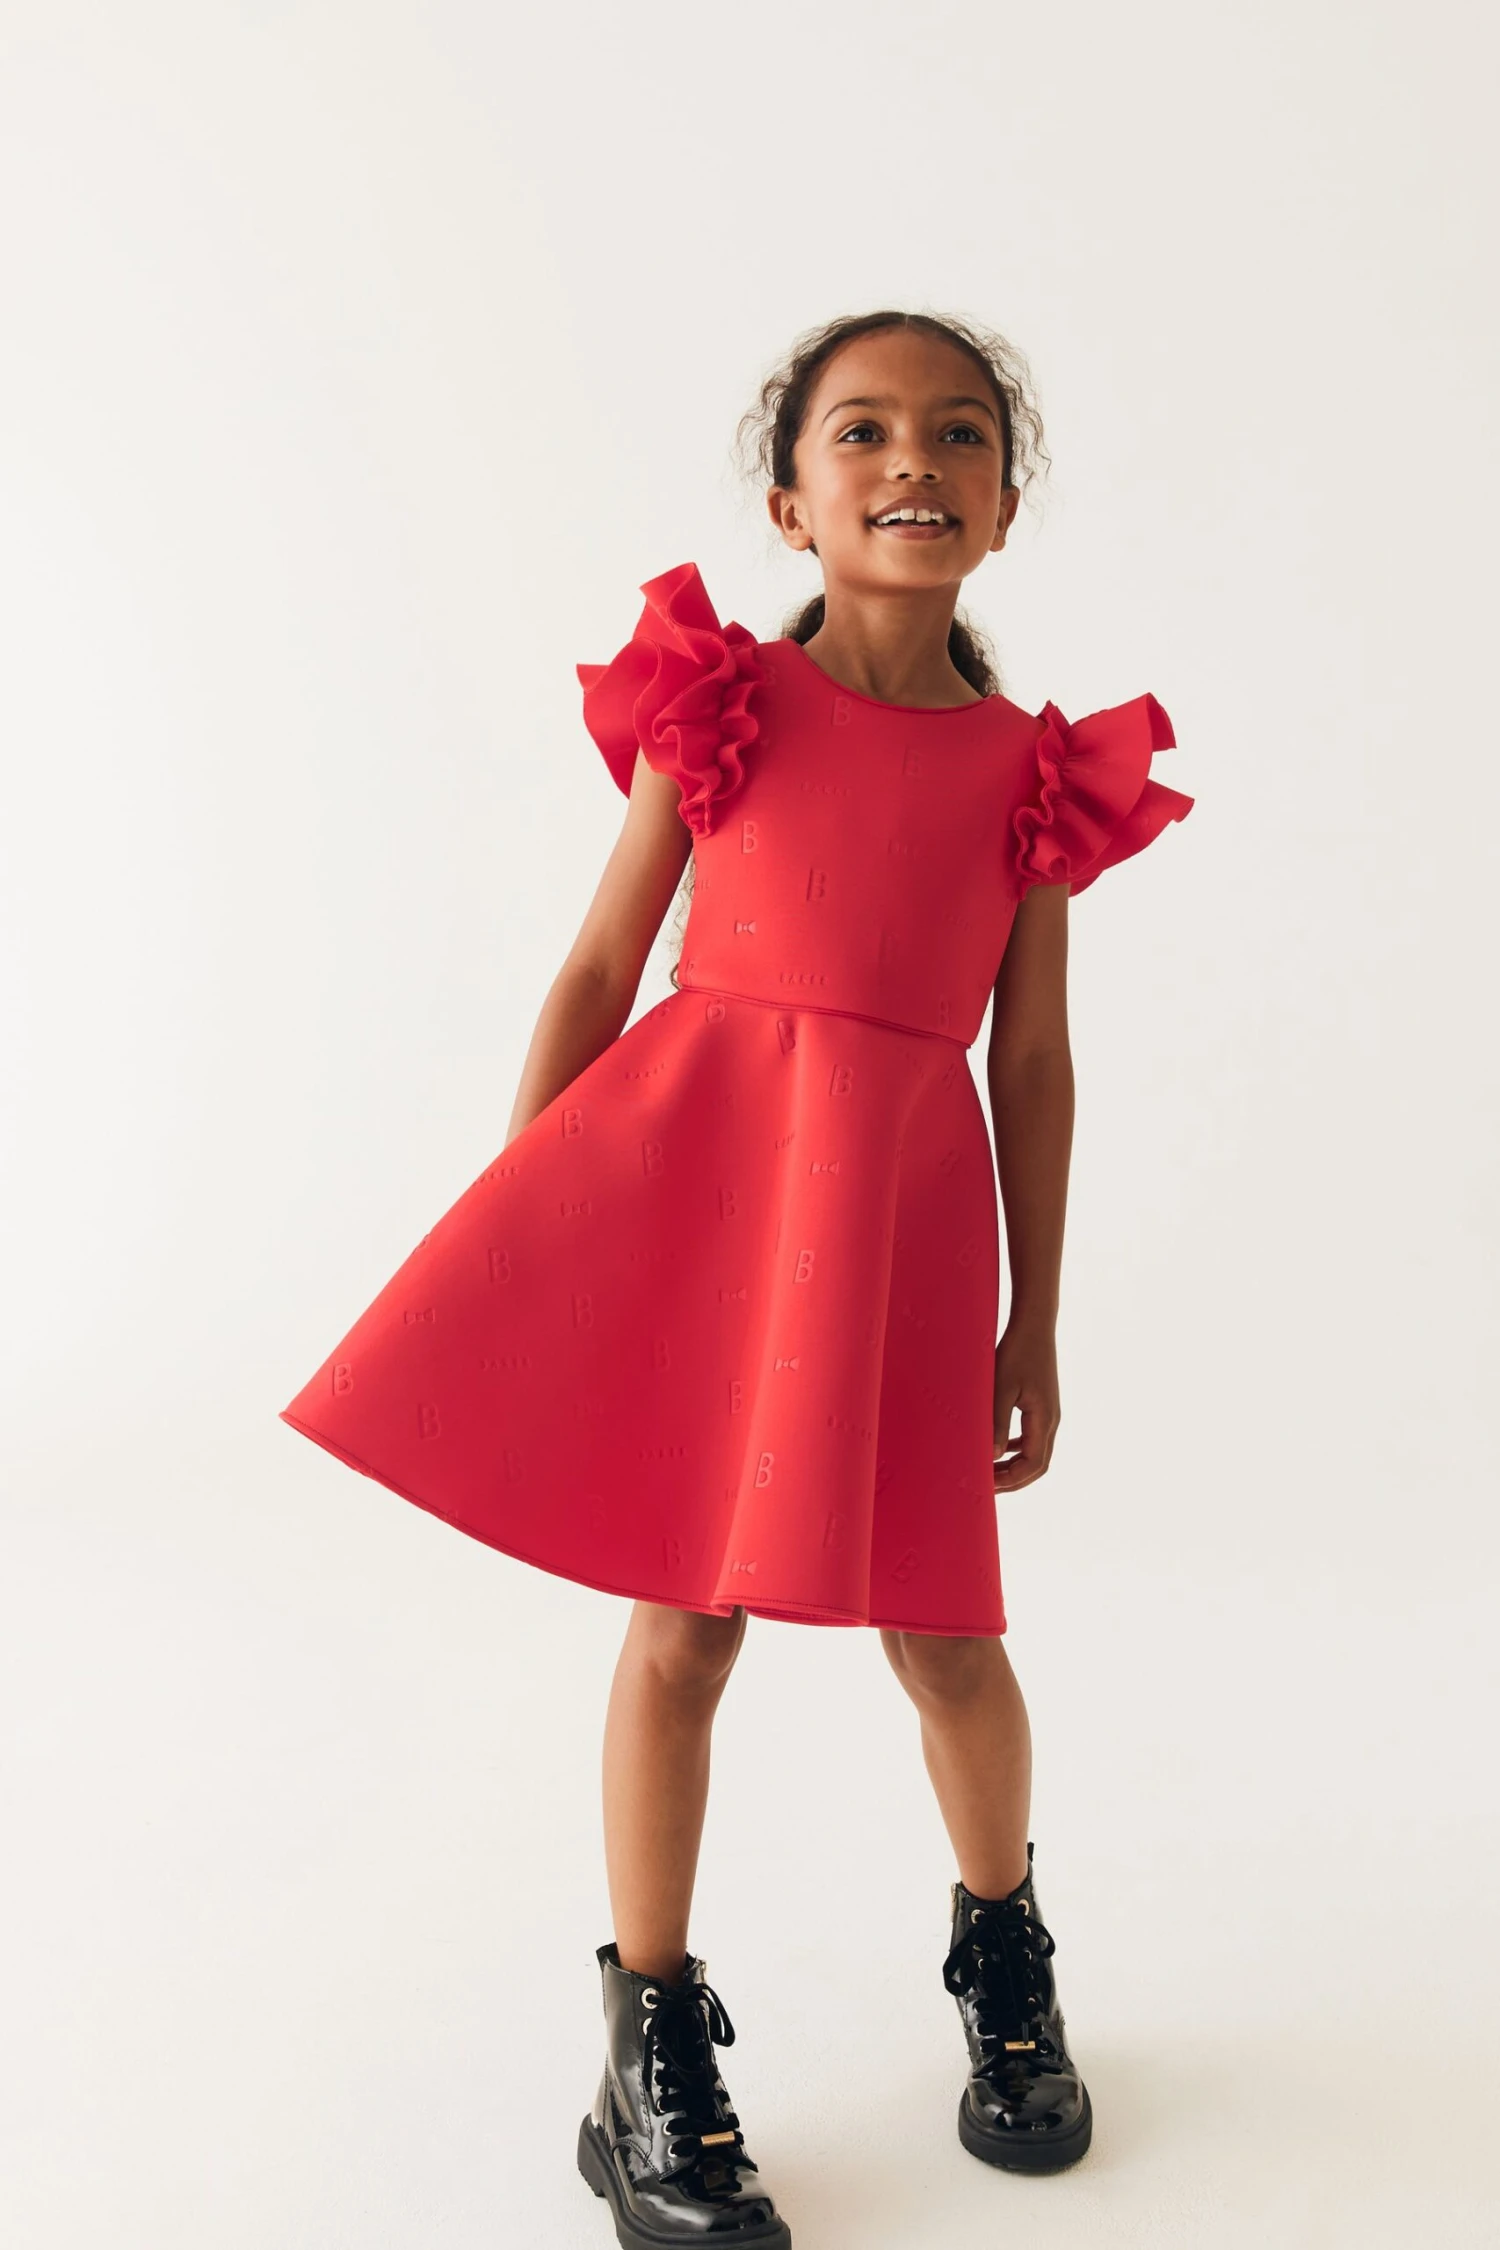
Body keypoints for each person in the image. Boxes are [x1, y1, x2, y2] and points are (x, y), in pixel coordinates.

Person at [279, 307, 1194, 2249]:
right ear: (792, 501)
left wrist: (1035, 1313)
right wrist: (531, 1216)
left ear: (1005, 505)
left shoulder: (1033, 775)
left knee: (946, 1636)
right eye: (862, 430)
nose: (913, 457)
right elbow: (600, 969)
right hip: (706, 1211)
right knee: (684, 1634)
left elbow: (1031, 1058)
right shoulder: (725, 709)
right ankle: (649, 2052)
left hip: (902, 1236)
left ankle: (1005, 1958)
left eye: (960, 432)